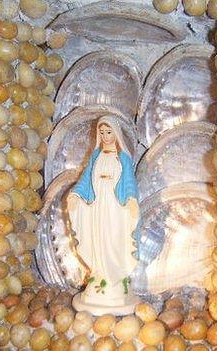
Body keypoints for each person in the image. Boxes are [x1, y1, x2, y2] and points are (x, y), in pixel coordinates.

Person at [65, 115, 141, 315]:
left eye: (109, 132)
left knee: (114, 239)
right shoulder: (96, 155)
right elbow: (85, 178)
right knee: (98, 239)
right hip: (98, 207)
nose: (105, 136)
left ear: (115, 133)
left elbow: (129, 181)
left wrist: (131, 199)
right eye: (102, 132)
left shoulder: (123, 157)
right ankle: (100, 274)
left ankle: (115, 276)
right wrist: (75, 194)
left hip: (115, 208)